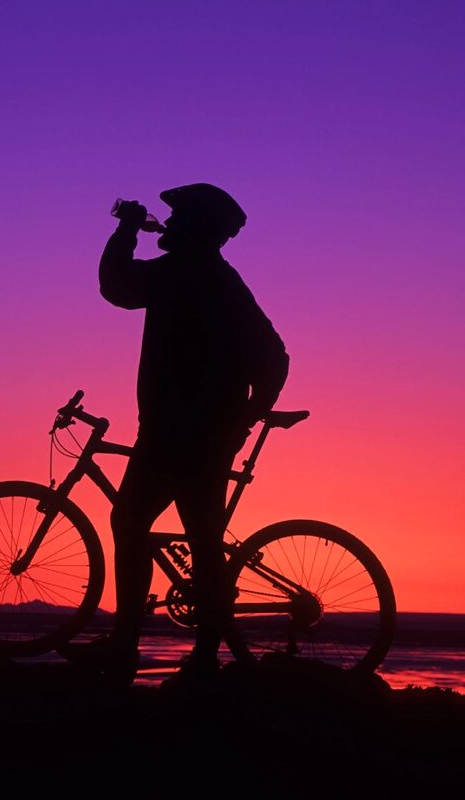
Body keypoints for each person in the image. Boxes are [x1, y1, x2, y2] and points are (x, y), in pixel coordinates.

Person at [62, 183, 289, 686]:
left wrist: (124, 230)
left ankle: (127, 648)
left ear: (195, 229)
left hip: (174, 433)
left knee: (131, 521)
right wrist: (243, 417)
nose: (170, 225)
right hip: (202, 432)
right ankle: (202, 655)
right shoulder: (221, 279)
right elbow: (275, 358)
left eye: (179, 218)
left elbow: (117, 286)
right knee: (200, 540)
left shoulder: (182, 273)